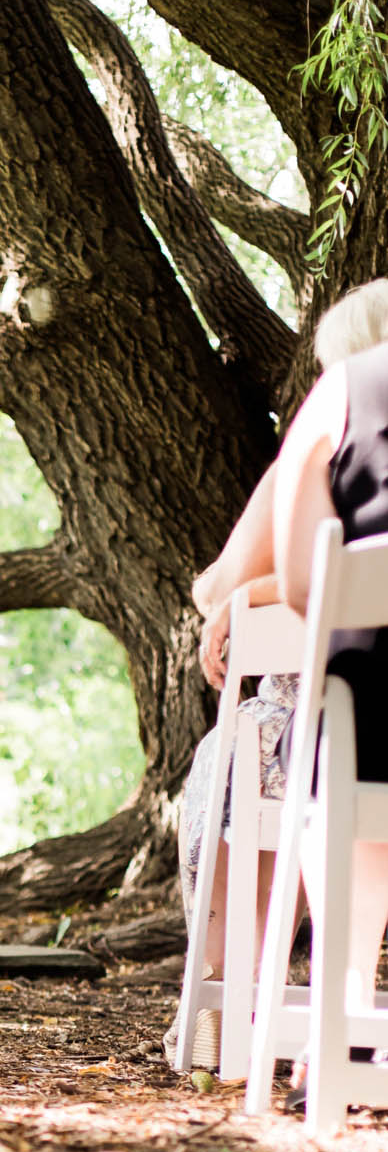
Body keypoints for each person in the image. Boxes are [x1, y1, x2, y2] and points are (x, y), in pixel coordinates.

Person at [169, 280, 388, 1070]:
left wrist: (258, 591)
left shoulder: (341, 409)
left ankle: (265, 1004)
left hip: (348, 721)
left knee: (265, 744)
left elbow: (259, 588)